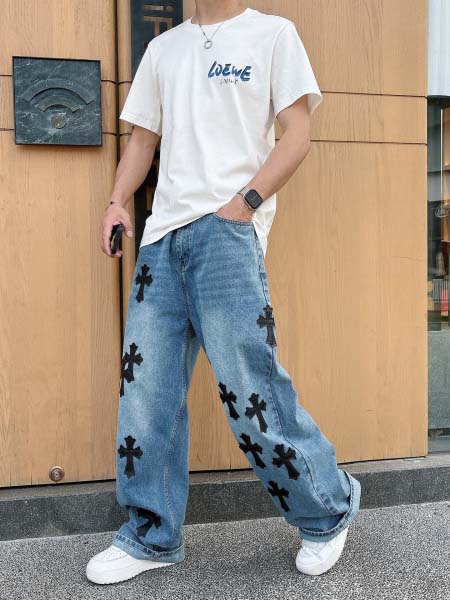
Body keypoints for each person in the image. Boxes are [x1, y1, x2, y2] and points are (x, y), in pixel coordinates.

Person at [86, 0, 361, 585]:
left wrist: (244, 205)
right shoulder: (163, 49)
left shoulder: (273, 34)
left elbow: (297, 133)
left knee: (249, 388)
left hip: (227, 236)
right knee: (146, 394)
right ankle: (151, 535)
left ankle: (327, 509)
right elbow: (142, 140)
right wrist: (116, 201)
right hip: (161, 240)